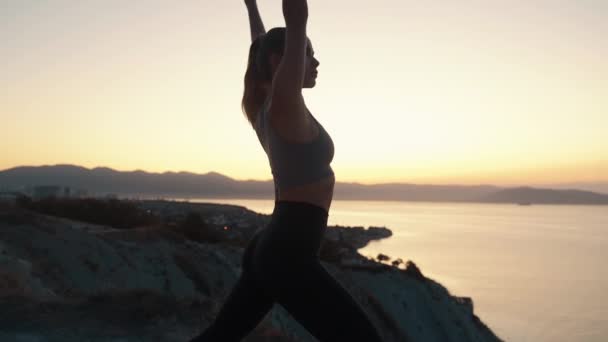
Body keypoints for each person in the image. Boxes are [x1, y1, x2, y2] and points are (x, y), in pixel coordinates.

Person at [189, 0, 384, 341]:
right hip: (288, 252)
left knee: (220, 335)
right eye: (307, 53)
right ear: (280, 62)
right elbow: (296, 16)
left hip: (276, 245)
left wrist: (251, 6)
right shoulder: (282, 104)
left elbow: (260, 44)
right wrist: (296, 30)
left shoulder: (265, 105)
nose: (315, 61)